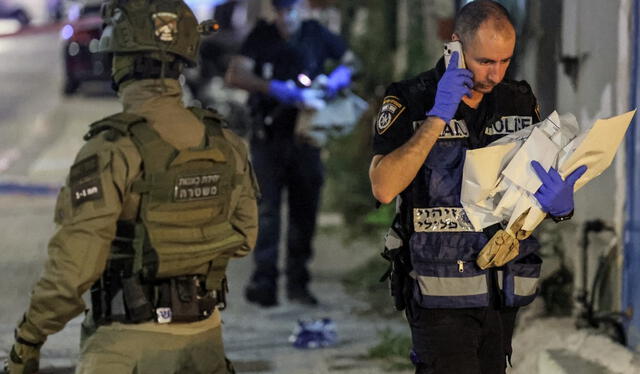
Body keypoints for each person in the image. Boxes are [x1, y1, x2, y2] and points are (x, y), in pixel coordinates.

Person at [4, 1, 258, 373]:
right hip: (205, 341)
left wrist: (29, 338)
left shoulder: (112, 148)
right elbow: (245, 236)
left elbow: (75, 267)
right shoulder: (224, 142)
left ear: (120, 61)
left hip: (125, 347)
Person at [369, 1, 586, 373]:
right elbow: (384, 187)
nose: (495, 74)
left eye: (505, 61)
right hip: (438, 292)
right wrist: (439, 115)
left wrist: (559, 206)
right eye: (485, 61)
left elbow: (526, 191)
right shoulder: (410, 97)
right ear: (455, 46)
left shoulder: (518, 99)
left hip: (501, 289)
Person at [225, 0, 355, 307]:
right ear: (274, 12)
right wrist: (274, 89)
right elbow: (236, 74)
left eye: (292, 9)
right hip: (268, 138)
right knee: (267, 212)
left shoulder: (315, 34)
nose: (287, 17)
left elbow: (351, 63)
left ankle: (298, 283)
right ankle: (264, 283)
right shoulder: (262, 36)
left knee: (304, 210)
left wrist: (334, 82)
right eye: (281, 11)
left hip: (305, 139)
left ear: (302, 9)